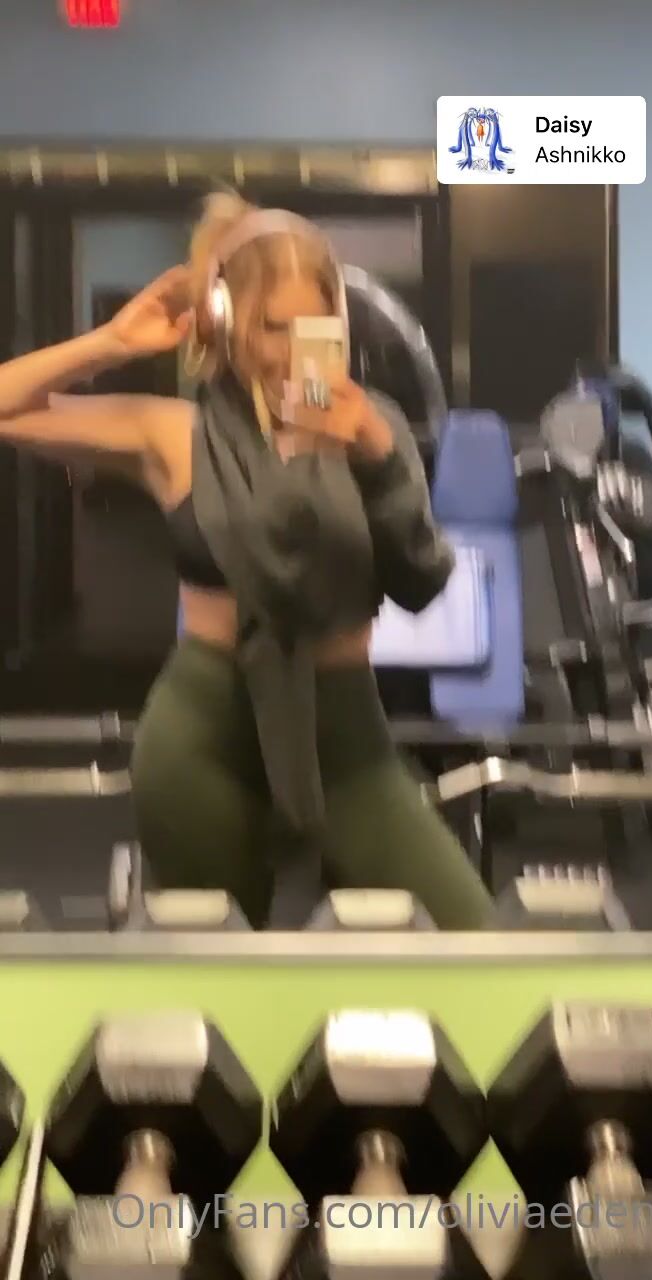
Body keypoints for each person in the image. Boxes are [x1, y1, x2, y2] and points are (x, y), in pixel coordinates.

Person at [0, 193, 493, 929]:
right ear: (225, 325)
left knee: (469, 938)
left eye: (313, 326)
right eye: (271, 327)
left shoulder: (373, 426)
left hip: (350, 748)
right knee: (217, 974)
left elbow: (422, 580)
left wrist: (378, 456)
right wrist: (113, 341)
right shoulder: (177, 435)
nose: (292, 350)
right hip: (205, 743)